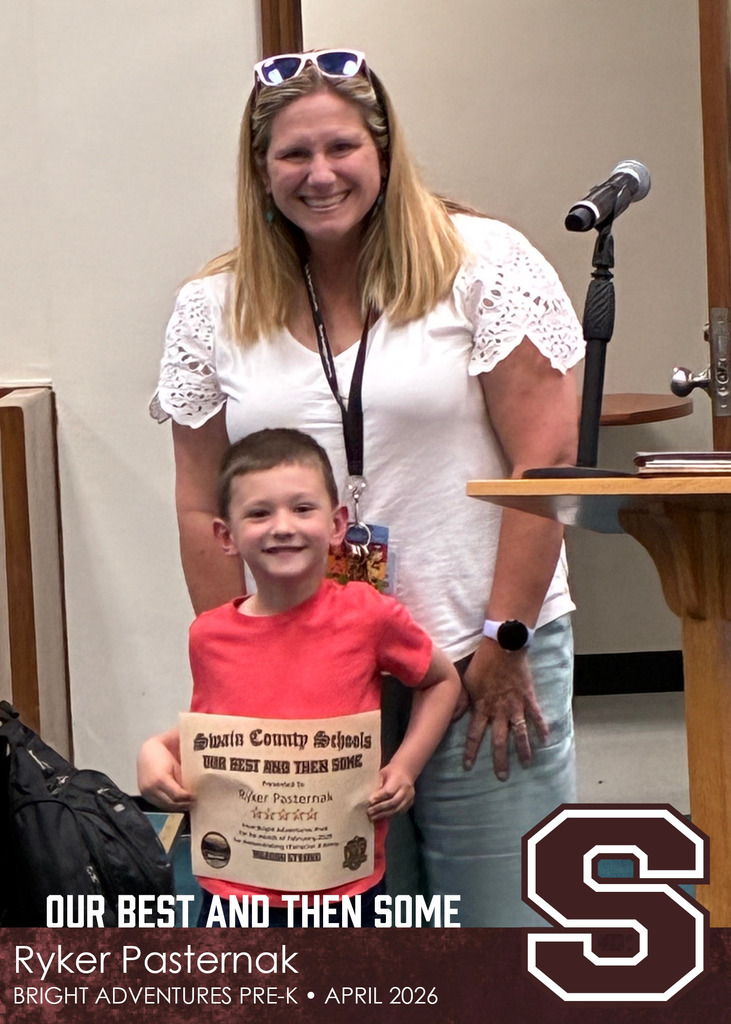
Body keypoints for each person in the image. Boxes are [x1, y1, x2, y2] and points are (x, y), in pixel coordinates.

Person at [150, 49, 584, 925]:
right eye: (292, 155)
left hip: (480, 643)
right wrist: (235, 664)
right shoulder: (215, 305)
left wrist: (505, 638)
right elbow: (203, 504)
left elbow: (543, 468)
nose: (319, 174)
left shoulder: (482, 263)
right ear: (259, 168)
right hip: (307, 672)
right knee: (336, 938)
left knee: (497, 930)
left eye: (341, 147)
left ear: (383, 152)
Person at [138, 428, 460, 926]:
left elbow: (442, 682)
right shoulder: (210, 635)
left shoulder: (369, 616)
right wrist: (155, 752)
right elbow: (224, 734)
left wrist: (405, 768)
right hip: (235, 887)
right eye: (259, 513)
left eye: (302, 509)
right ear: (226, 536)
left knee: (349, 999)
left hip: (344, 885)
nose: (282, 527)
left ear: (336, 524)